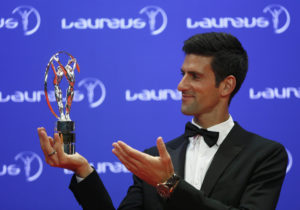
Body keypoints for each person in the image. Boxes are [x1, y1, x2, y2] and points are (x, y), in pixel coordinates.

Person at [37, 32, 288, 210]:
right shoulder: (156, 159)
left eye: (195, 76)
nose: (181, 85)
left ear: (226, 85)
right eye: (182, 74)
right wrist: (83, 171)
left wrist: (169, 184)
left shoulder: (265, 155)